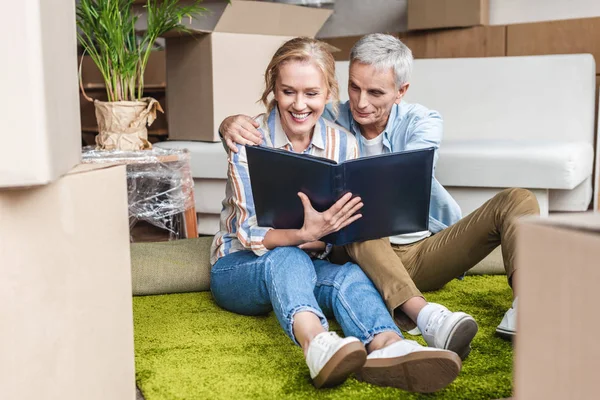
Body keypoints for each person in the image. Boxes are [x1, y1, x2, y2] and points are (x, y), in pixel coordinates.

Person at [219, 33, 540, 357]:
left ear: (401, 91)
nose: (360, 102)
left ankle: (527, 307)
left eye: (375, 92)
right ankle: (423, 316)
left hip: (415, 247)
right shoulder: (324, 114)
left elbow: (407, 179)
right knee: (359, 217)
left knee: (517, 198)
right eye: (355, 88)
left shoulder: (420, 123)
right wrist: (228, 125)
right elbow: (285, 112)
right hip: (354, 249)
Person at [210, 37, 463, 393]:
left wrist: (331, 233)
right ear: (274, 90)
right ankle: (317, 344)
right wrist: (302, 234)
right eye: (287, 92)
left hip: (310, 263)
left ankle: (389, 346)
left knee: (349, 275)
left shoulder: (344, 143)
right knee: (289, 257)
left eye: (311, 93)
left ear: (329, 93)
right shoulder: (249, 139)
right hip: (239, 267)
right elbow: (246, 232)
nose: (299, 105)